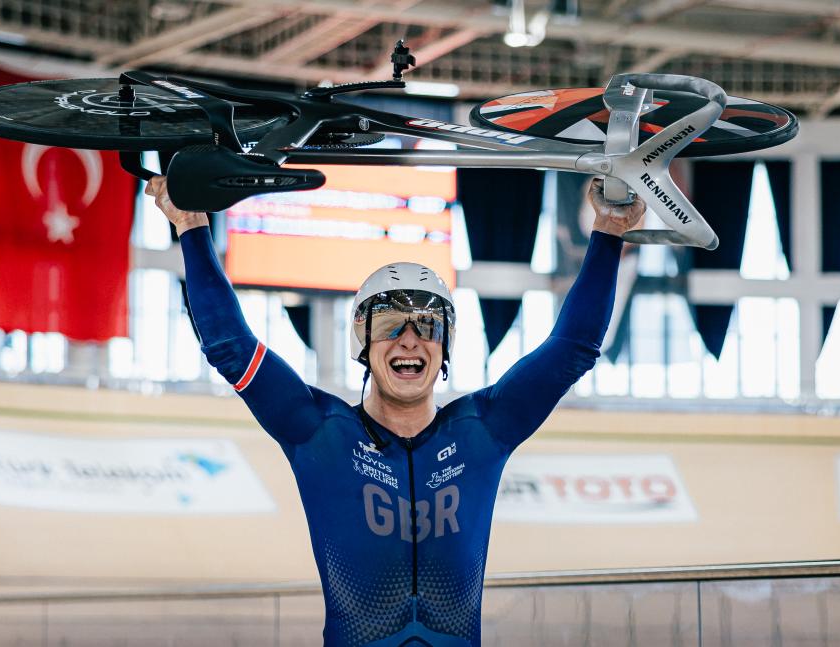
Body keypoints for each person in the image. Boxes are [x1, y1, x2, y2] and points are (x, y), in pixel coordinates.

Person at [146, 175, 645, 647]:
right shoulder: (320, 432)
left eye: (427, 326)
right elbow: (230, 346)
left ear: (445, 346)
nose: (409, 340)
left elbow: (574, 347)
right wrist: (190, 224)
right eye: (389, 325)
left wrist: (609, 230)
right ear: (362, 343)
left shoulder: (484, 430)